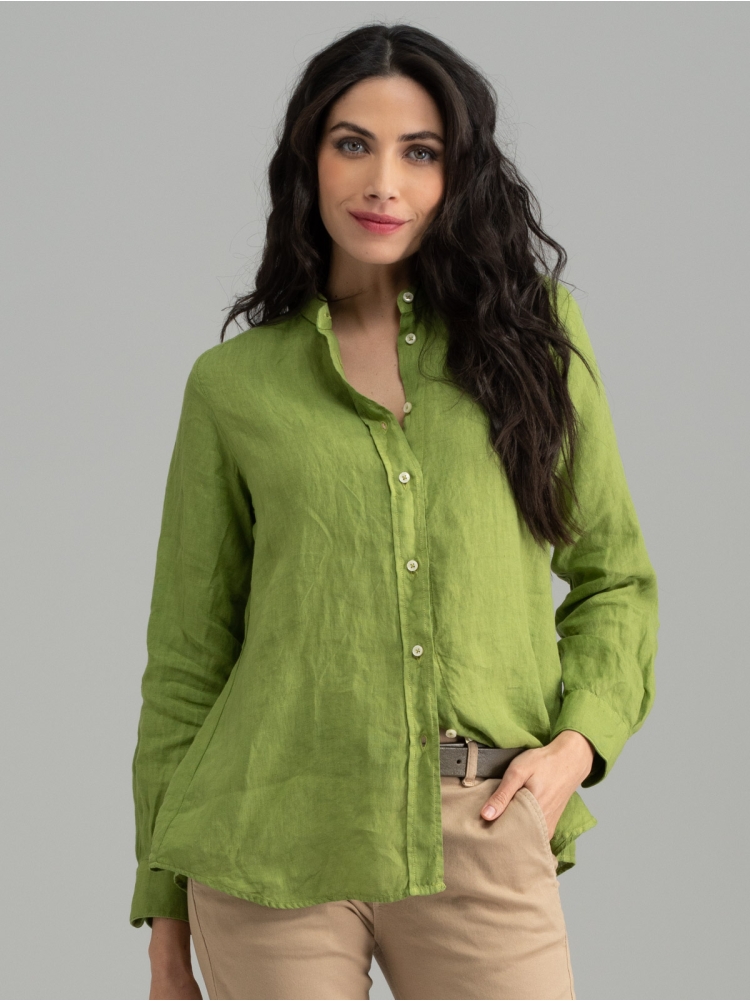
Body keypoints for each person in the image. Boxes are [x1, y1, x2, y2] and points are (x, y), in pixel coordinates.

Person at [130, 22, 659, 1001]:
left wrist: (573, 749)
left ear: (459, 173)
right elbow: (187, 664)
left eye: (420, 152)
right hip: (267, 833)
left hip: (483, 818)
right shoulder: (234, 386)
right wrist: (165, 934)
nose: (383, 183)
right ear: (310, 161)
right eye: (353, 145)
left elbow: (615, 580)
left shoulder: (536, 346)